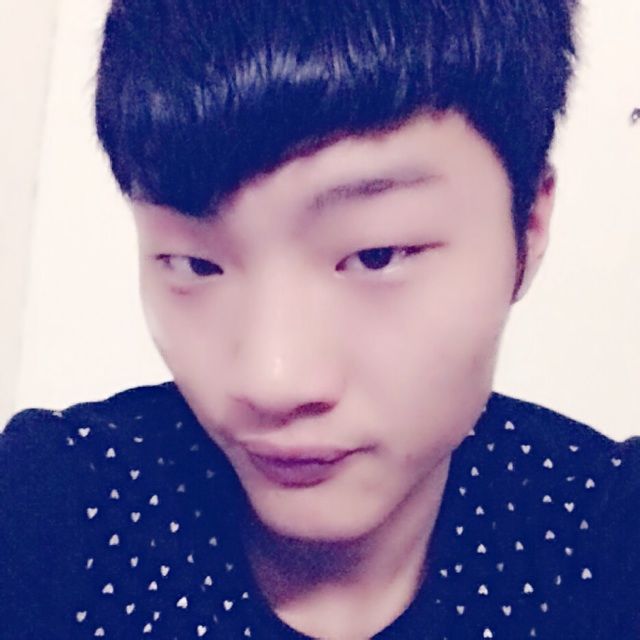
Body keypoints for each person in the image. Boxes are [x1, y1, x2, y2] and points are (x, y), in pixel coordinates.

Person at [1, 0, 639, 638]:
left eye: (376, 255)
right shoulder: (58, 503)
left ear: (529, 228)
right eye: (195, 264)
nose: (272, 381)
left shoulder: (605, 534)